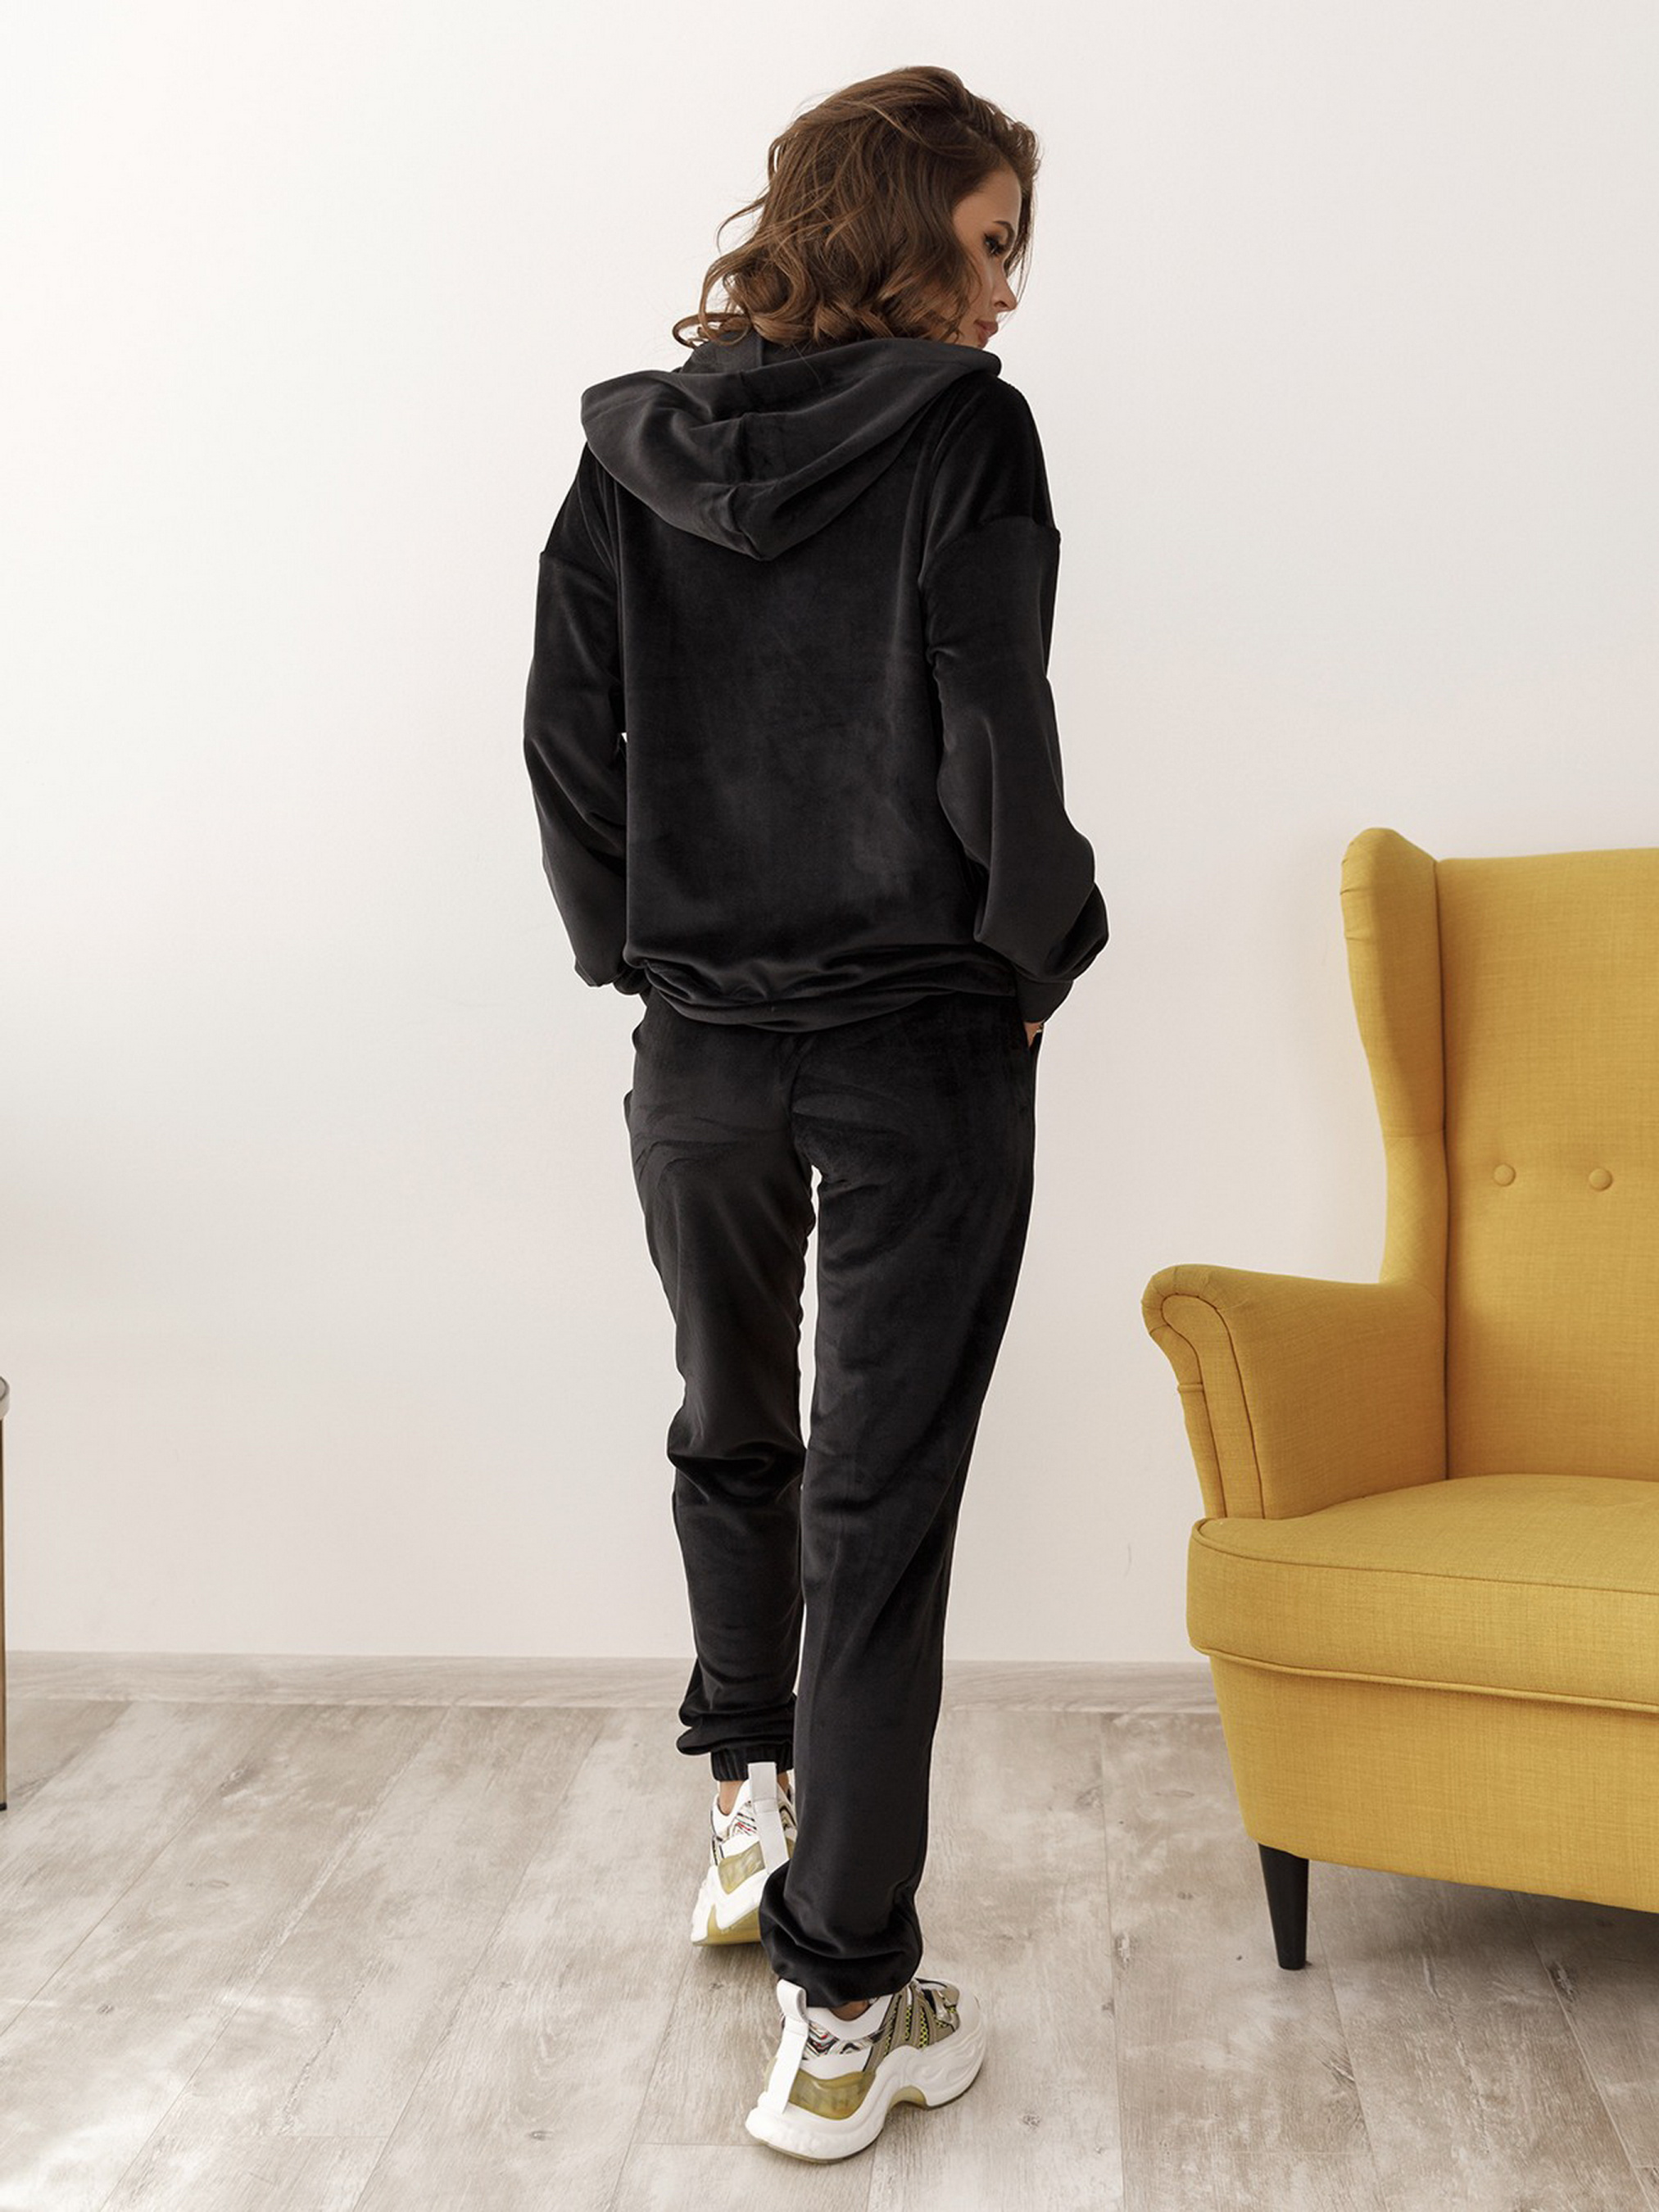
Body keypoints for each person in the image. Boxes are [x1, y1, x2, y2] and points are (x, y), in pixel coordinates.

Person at [522, 63, 1108, 2163]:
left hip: (698, 1052)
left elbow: (565, 739)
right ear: (897, 225)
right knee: (878, 1521)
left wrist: (638, 957)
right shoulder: (966, 431)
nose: (1005, 293)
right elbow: (989, 727)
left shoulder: (631, 446)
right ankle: (845, 2004)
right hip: (913, 1045)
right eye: (988, 243)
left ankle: (744, 1806)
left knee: (729, 1425)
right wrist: (1037, 950)